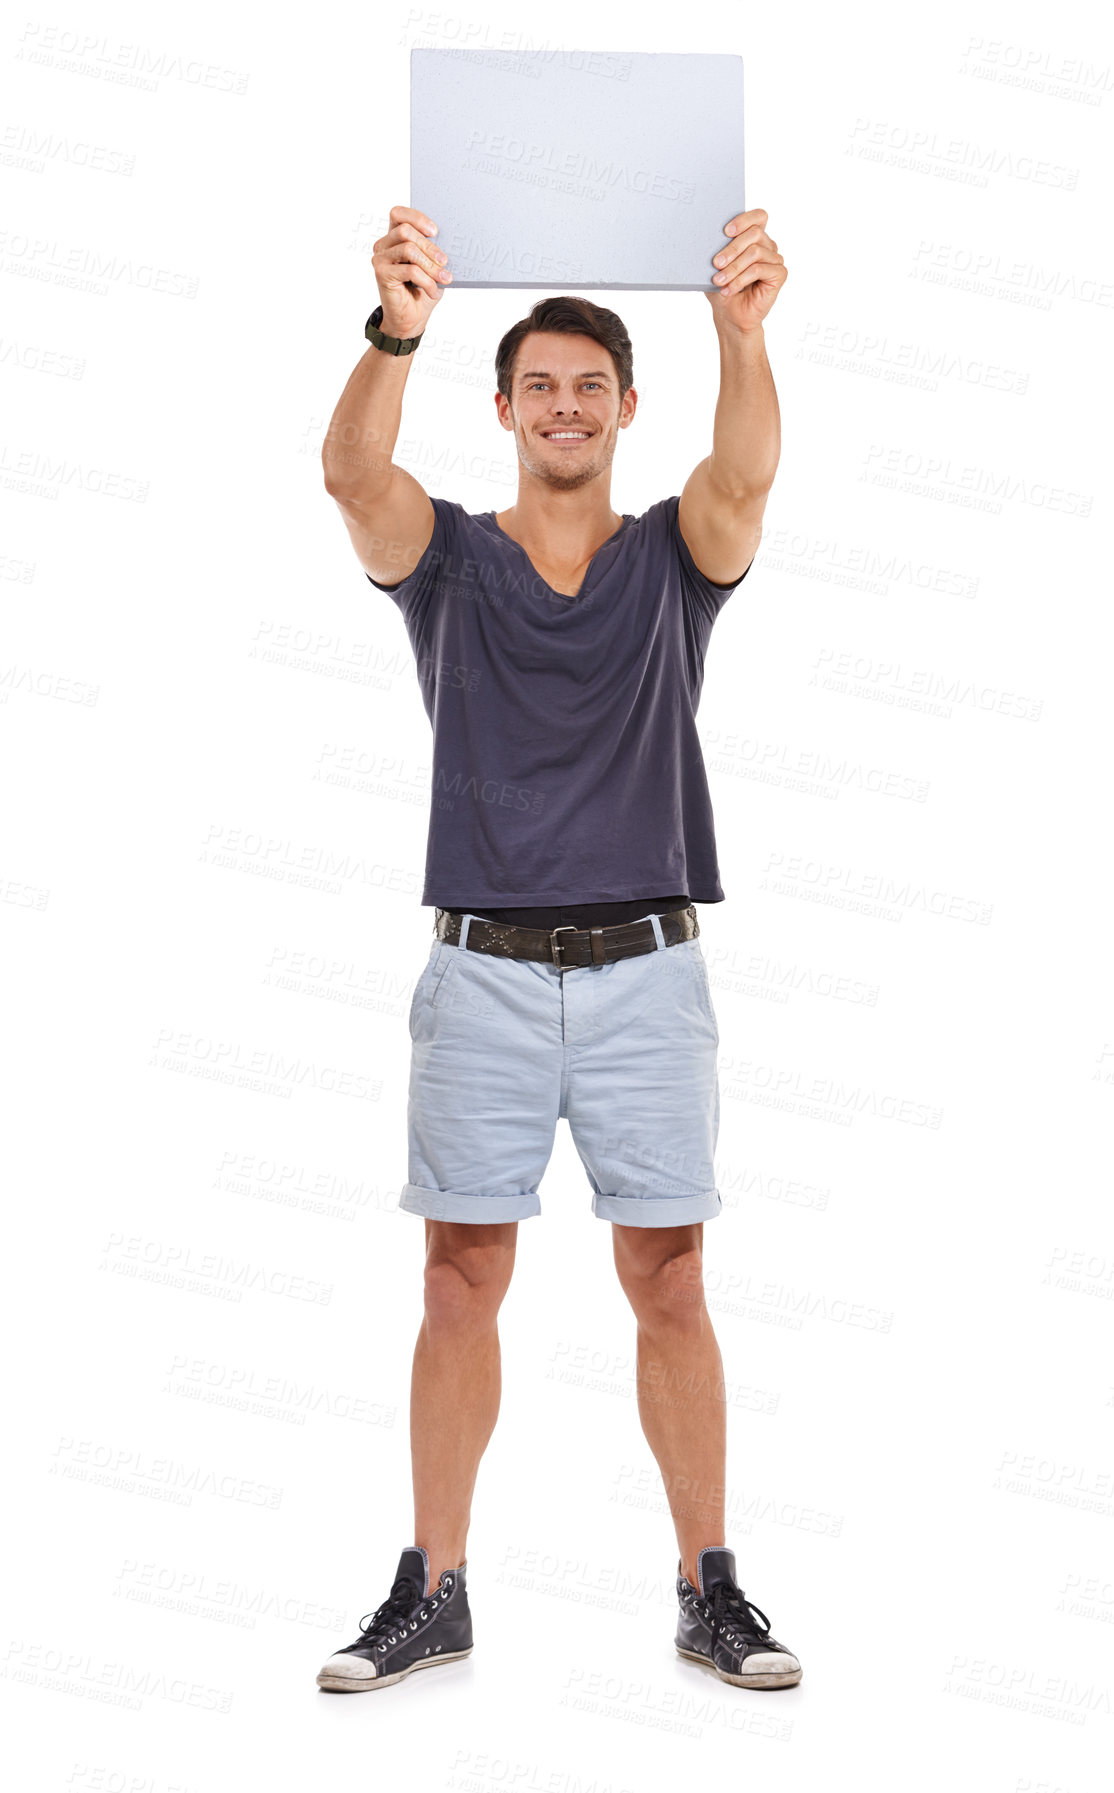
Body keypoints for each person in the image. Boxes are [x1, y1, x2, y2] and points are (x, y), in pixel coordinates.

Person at [315, 202, 798, 1694]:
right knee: (459, 1278)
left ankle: (707, 1586)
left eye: (591, 385)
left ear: (623, 407)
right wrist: (398, 325)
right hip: (485, 972)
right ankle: (434, 1585)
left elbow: (749, 470)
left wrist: (738, 330)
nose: (567, 405)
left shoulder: (674, 556)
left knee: (669, 1279)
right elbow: (348, 472)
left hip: (651, 970)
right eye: (542, 385)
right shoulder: (449, 559)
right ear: (508, 405)